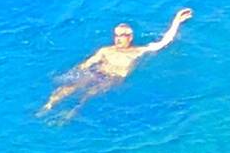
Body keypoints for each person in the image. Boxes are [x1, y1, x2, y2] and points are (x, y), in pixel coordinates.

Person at [39, 8, 194, 119]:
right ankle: (48, 106)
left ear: (130, 37)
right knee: (68, 88)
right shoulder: (105, 50)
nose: (119, 38)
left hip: (113, 78)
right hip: (97, 73)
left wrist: (176, 22)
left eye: (123, 35)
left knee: (89, 94)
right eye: (116, 35)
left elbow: (164, 42)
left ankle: (71, 112)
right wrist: (71, 74)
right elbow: (86, 64)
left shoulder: (139, 51)